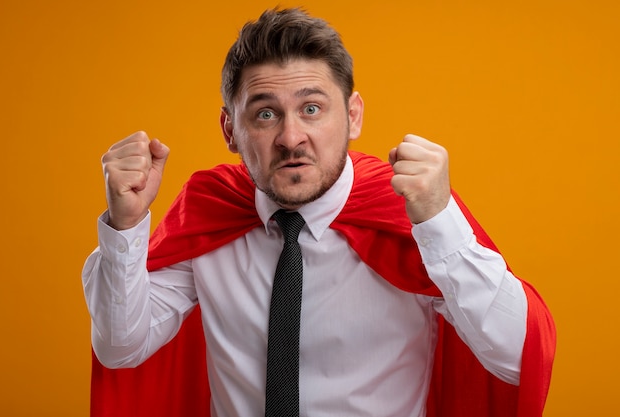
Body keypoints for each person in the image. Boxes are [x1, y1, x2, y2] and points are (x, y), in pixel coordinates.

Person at [82, 7, 555, 417]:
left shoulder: (411, 218)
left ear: (352, 117)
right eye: (265, 114)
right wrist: (125, 225)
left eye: (312, 108)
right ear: (230, 130)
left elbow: (518, 357)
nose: (291, 137)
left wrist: (439, 224)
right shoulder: (211, 213)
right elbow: (122, 347)